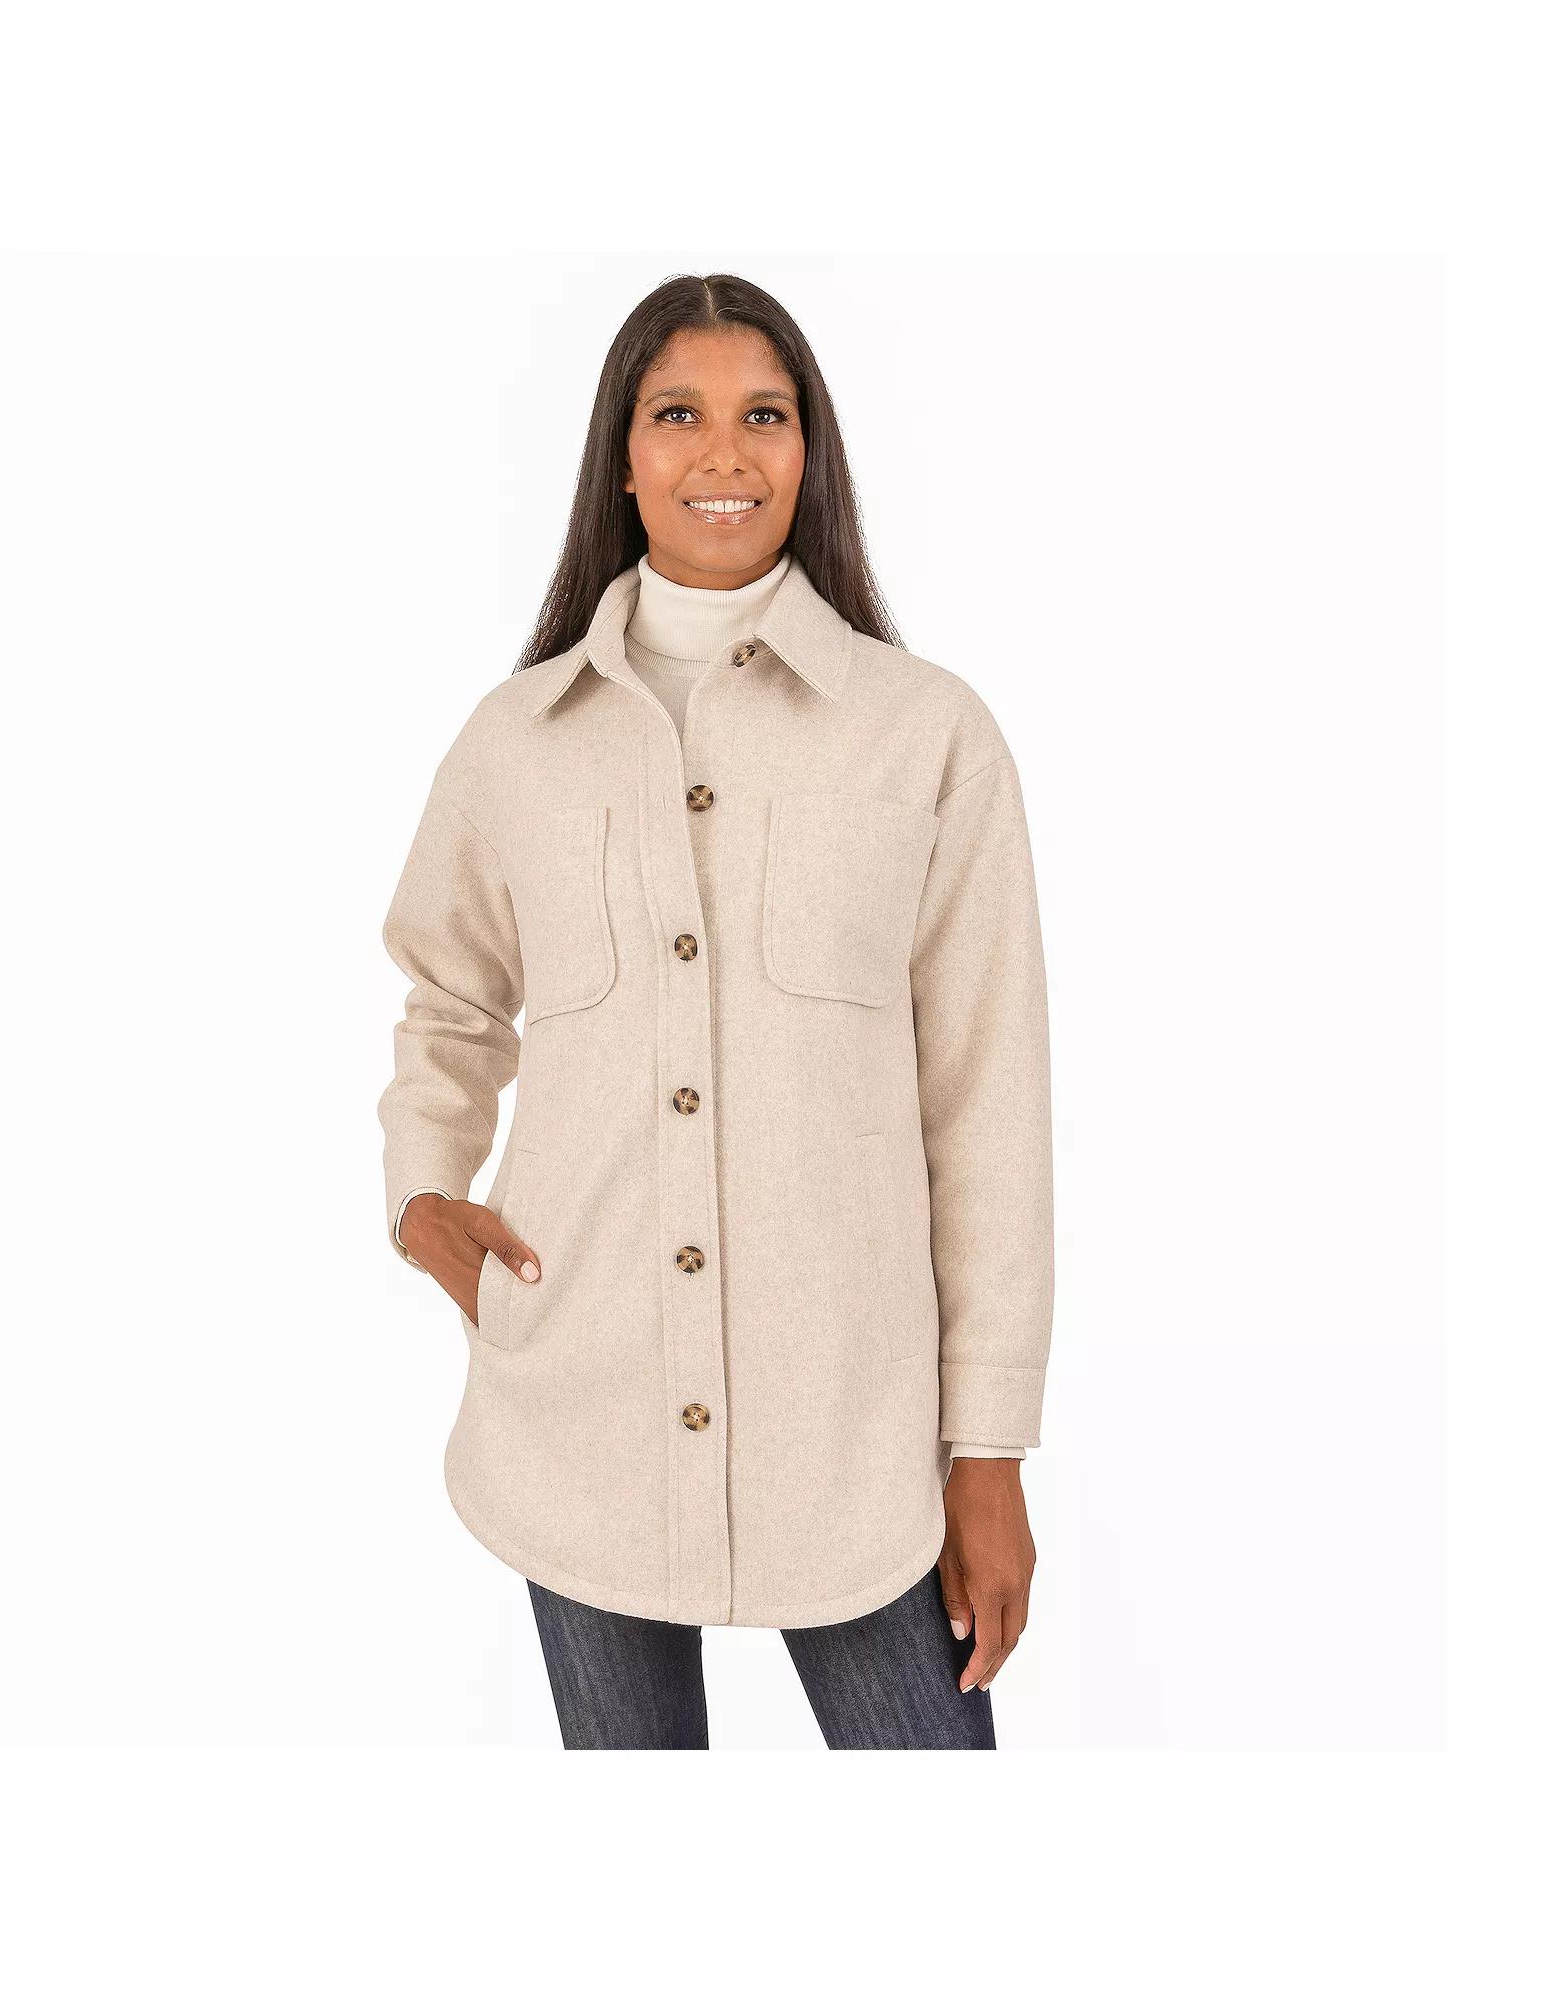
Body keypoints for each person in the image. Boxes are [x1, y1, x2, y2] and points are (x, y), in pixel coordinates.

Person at [377, 272, 1053, 1749]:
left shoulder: (926, 735)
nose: (724, 455)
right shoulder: (515, 741)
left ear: (811, 453)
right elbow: (451, 994)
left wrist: (988, 1449)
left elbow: (986, 1104)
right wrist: (423, 1193)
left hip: (854, 1438)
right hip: (581, 1409)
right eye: (677, 415)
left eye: (766, 416)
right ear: (621, 459)